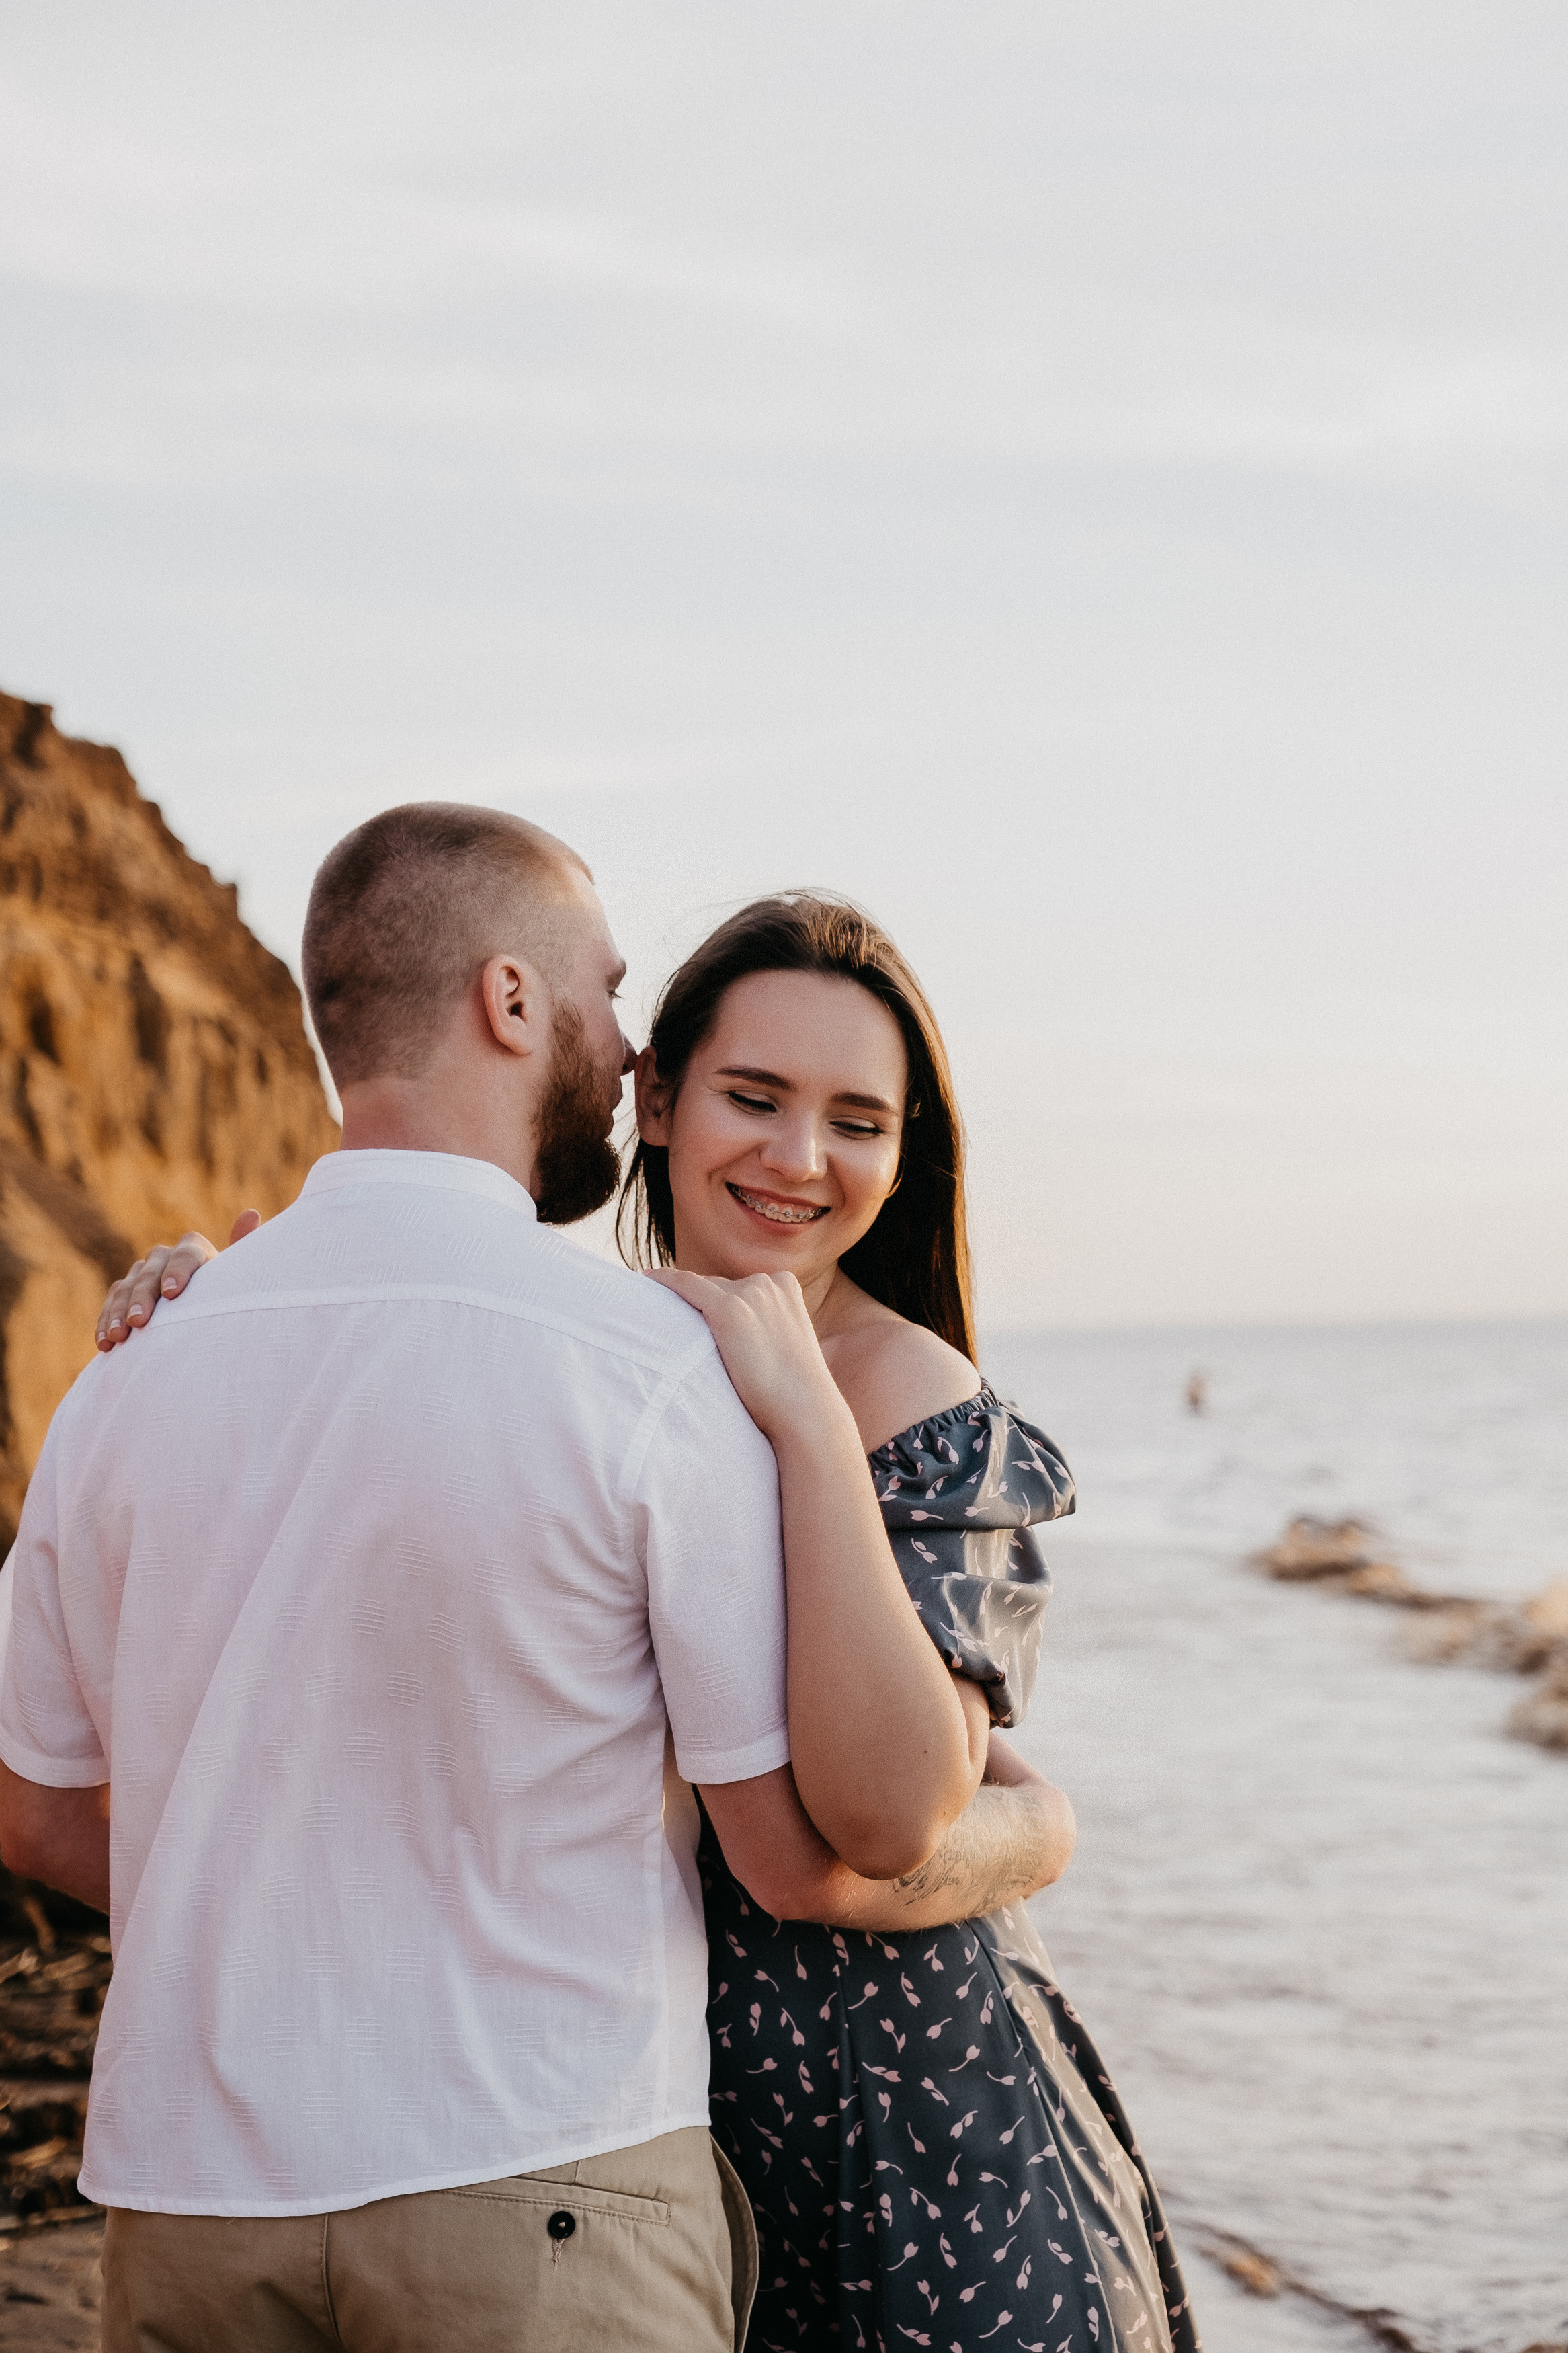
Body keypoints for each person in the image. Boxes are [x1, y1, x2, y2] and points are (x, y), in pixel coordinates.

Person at [93, 885, 1201, 2353]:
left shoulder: (907, 1391)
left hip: (898, 2120)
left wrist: (808, 1421)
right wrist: (222, 1299)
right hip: (603, 2123)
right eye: (755, 1096)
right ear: (658, 1098)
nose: (801, 1158)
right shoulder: (591, 1359)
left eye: (859, 1120)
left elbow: (883, 1812)